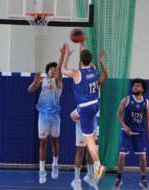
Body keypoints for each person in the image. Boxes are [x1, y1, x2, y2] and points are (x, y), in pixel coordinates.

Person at [61, 43, 106, 190]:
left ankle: (98, 168)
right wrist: (82, 44)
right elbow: (85, 57)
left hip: (86, 109)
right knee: (72, 115)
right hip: (94, 106)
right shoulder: (93, 69)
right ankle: (82, 177)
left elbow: (62, 70)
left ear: (80, 60)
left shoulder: (76, 73)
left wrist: (67, 54)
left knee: (89, 142)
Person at [28, 43, 66, 184]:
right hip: (43, 116)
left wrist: (62, 54)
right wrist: (34, 82)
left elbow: (60, 68)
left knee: (54, 141)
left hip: (55, 116)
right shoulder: (43, 81)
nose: (52, 71)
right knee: (43, 142)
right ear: (47, 72)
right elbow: (30, 90)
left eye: (54, 69)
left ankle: (55, 165)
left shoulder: (58, 82)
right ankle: (42, 170)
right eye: (50, 69)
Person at [113, 78, 149, 190]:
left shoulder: (147, 103)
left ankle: (143, 179)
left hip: (139, 133)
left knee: (143, 157)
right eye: (134, 85)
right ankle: (118, 178)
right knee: (122, 155)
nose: (135, 87)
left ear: (142, 89)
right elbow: (118, 115)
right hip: (126, 132)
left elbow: (148, 119)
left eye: (138, 85)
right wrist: (125, 126)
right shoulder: (126, 100)